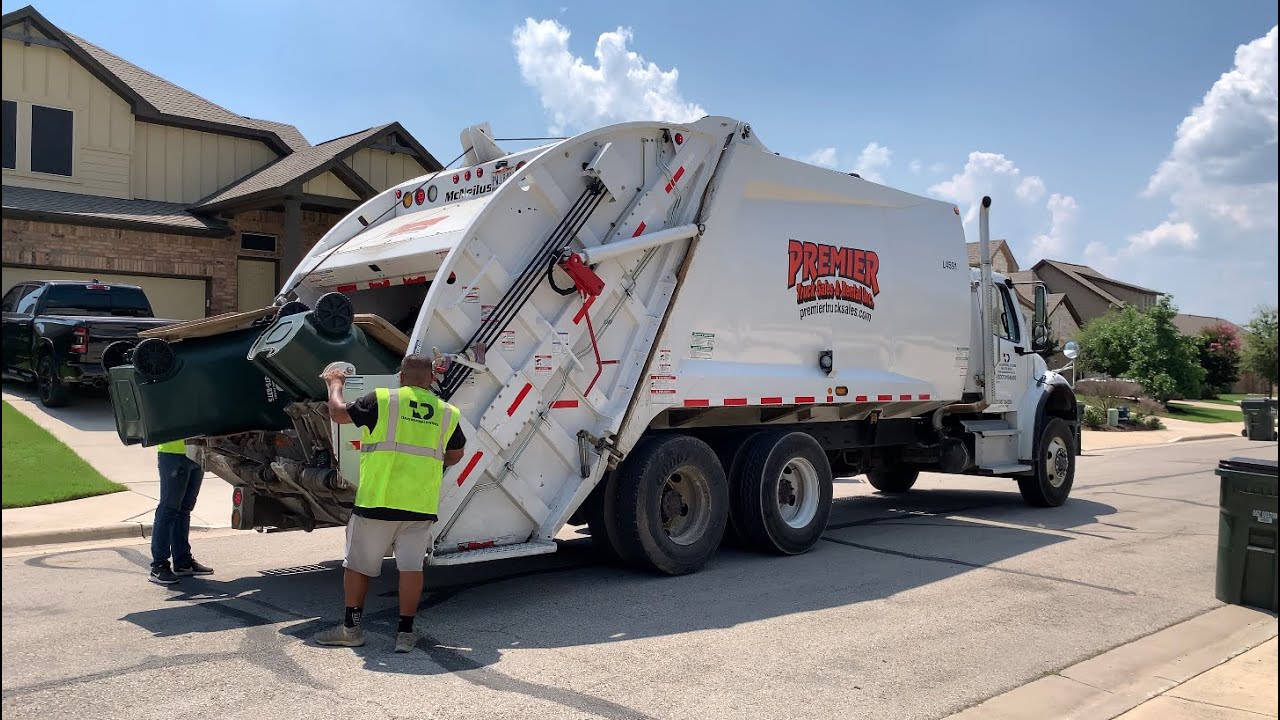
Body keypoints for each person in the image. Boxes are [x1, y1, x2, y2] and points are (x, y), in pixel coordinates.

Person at [313, 354, 465, 653]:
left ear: (401, 377)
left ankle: (351, 629)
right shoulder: (447, 413)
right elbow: (456, 454)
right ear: (431, 379)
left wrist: (334, 384)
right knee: (411, 569)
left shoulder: (383, 399)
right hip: (420, 506)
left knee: (357, 566)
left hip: (377, 502)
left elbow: (338, 414)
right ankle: (406, 634)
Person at [149, 439, 214, 585]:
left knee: (184, 509)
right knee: (168, 509)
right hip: (173, 453)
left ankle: (183, 562)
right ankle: (158, 566)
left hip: (197, 451)